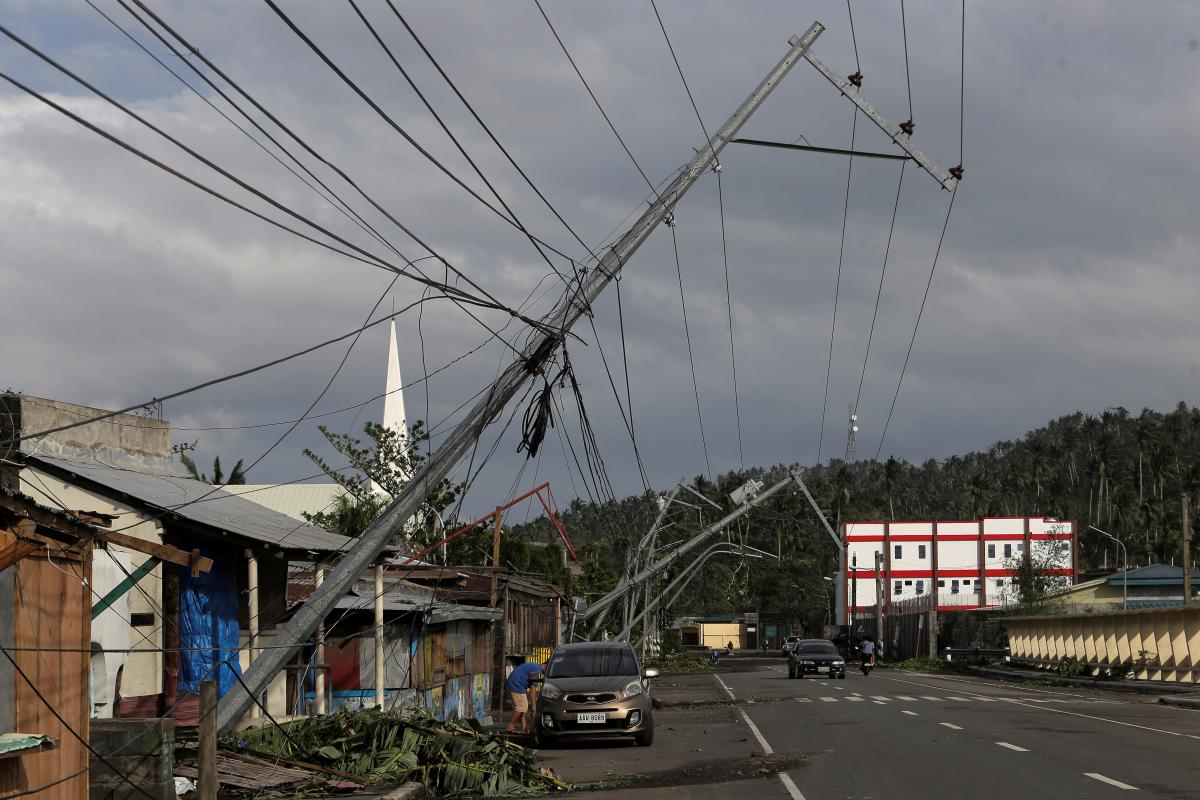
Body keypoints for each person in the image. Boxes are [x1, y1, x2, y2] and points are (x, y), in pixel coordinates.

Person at [504, 661, 543, 734]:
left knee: (522, 709)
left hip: (515, 684)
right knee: (521, 707)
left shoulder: (536, 667)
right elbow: (532, 692)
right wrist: (534, 708)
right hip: (516, 685)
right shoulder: (537, 670)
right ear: (546, 666)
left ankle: (525, 729)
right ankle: (510, 725)